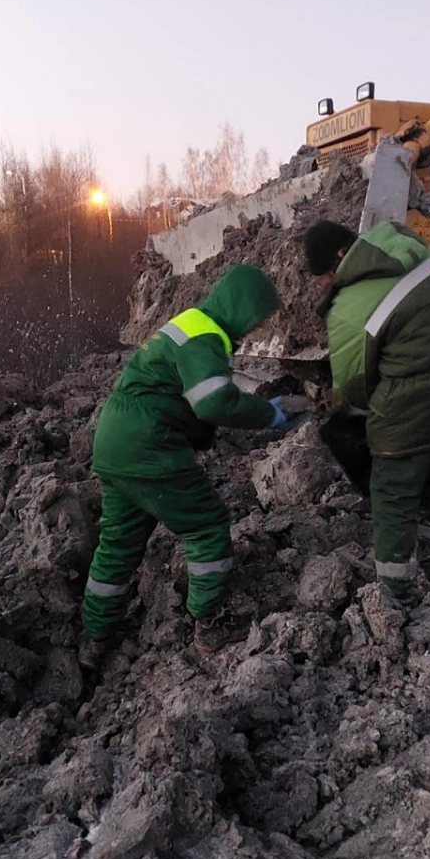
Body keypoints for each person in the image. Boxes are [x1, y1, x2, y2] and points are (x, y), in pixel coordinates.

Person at [81, 263, 304, 656]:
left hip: (114, 442)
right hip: (148, 446)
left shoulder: (190, 324)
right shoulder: (203, 336)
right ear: (241, 309)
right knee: (207, 524)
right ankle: (210, 622)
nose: (256, 330)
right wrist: (269, 414)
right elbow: (213, 401)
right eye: (257, 321)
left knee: (118, 543)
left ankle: (95, 636)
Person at [302, 218, 430, 604]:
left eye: (323, 274)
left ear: (340, 258)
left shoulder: (349, 308)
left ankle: (397, 596)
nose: (322, 283)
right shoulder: (407, 246)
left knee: (392, 493)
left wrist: (358, 429)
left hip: (417, 408)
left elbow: (354, 388)